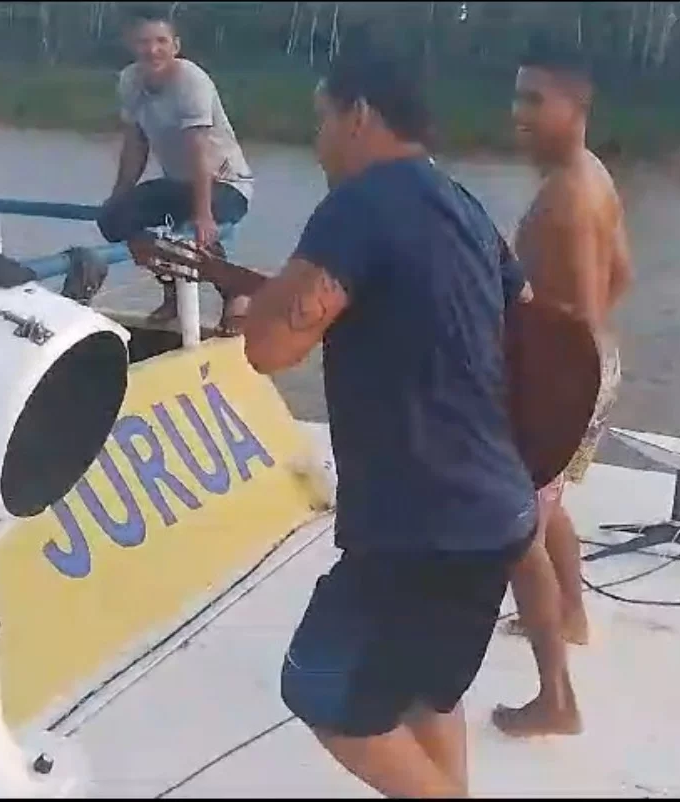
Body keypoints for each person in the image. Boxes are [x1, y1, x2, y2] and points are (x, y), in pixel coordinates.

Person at [242, 43, 536, 798]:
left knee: (322, 689)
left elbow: (268, 347)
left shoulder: (360, 202)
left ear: (359, 115)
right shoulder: (462, 205)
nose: (318, 142)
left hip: (420, 528)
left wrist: (266, 300)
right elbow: (527, 319)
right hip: (498, 509)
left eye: (322, 120)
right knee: (425, 691)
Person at [491, 40, 633, 739]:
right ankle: (571, 614)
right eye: (517, 96)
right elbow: (623, 272)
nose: (518, 113)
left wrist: (539, 377)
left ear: (575, 106)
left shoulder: (569, 199)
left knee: (519, 529)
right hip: (595, 368)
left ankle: (556, 698)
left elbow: (578, 314)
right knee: (548, 506)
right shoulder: (592, 173)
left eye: (533, 99)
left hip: (566, 379)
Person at [100, 6, 253, 335]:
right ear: (131, 45)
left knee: (186, 231)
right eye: (144, 42)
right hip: (179, 184)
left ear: (176, 46)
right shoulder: (129, 81)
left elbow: (199, 149)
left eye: (161, 41)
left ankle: (235, 294)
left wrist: (203, 214)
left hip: (226, 184)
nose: (152, 50)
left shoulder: (191, 81)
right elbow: (135, 144)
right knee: (112, 219)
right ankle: (172, 289)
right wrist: (119, 197)